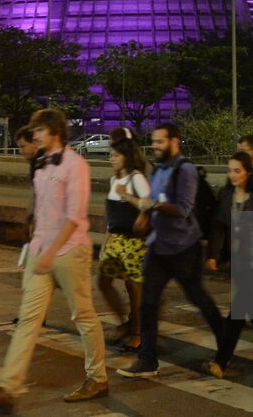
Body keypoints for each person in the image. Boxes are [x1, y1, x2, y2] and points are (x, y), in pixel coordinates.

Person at [0, 109, 108, 407]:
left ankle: (98, 377)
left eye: (40, 130)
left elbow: (74, 217)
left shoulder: (75, 165)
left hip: (70, 250)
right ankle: (8, 387)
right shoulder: (42, 164)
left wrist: (51, 251)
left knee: (83, 315)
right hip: (40, 251)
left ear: (56, 132)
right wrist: (36, 244)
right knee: (28, 320)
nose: (34, 135)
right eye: (34, 131)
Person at [118, 123, 226, 380]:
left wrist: (153, 205)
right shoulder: (159, 168)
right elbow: (153, 201)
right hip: (159, 247)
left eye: (160, 141)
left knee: (198, 298)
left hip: (184, 249)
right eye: (154, 141)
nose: (155, 146)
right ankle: (147, 360)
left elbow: (183, 209)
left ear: (174, 141)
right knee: (148, 303)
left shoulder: (185, 170)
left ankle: (226, 343)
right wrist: (145, 215)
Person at [205, 152, 253, 375]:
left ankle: (221, 360)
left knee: (237, 310)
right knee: (252, 308)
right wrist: (213, 254)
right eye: (230, 170)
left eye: (237, 170)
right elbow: (218, 224)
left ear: (247, 172)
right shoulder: (227, 194)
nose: (232, 175)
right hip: (238, 261)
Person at [99, 136, 151, 351]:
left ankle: (137, 333)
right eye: (110, 155)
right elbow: (111, 217)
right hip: (115, 239)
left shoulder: (136, 178)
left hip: (133, 241)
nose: (111, 159)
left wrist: (128, 196)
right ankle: (123, 322)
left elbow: (148, 203)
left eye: (116, 155)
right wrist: (106, 240)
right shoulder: (114, 180)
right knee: (103, 282)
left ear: (127, 157)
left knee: (134, 289)